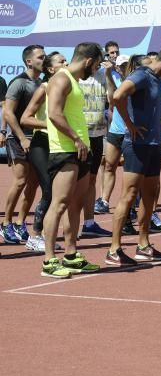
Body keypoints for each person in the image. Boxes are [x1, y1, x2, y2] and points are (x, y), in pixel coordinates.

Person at [106, 46, 161, 266]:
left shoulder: (157, 79)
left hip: (153, 145)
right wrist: (129, 124)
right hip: (137, 145)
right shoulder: (141, 74)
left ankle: (143, 245)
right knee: (129, 194)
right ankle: (114, 249)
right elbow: (117, 95)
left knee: (150, 196)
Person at [40, 42, 104, 278]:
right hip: (65, 150)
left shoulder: (74, 81)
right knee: (59, 203)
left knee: (75, 205)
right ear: (88, 61)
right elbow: (54, 114)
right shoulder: (61, 78)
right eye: (96, 65)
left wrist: (82, 144)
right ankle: (48, 260)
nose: (96, 70)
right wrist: (76, 139)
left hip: (80, 150)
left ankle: (71, 255)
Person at [19, 52, 68, 252]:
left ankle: (48, 233)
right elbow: (25, 119)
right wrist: (50, 123)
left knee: (60, 192)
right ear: (50, 69)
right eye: (61, 61)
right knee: (48, 188)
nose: (66, 63)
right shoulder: (45, 88)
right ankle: (35, 235)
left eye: (66, 60)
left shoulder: (70, 87)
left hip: (61, 143)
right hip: (41, 142)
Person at [1, 44, 45, 245]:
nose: (43, 60)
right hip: (18, 138)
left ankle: (20, 222)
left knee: (34, 182)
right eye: (40, 57)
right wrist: (21, 137)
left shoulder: (42, 83)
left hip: (36, 137)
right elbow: (8, 113)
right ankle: (6, 223)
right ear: (29, 61)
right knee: (20, 180)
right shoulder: (18, 83)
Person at [98, 53, 143, 236]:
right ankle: (104, 200)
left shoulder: (137, 82)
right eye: (121, 66)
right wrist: (108, 75)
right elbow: (112, 99)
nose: (124, 68)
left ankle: (129, 213)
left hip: (131, 132)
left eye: (126, 65)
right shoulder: (116, 80)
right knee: (109, 165)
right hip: (116, 132)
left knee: (131, 175)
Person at [77, 51, 114, 238]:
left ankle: (89, 223)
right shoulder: (75, 77)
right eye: (98, 60)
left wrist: (108, 75)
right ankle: (67, 225)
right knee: (73, 182)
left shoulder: (102, 75)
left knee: (91, 180)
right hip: (79, 136)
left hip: (98, 135)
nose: (100, 64)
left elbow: (113, 98)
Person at [94, 41, 122, 214]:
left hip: (119, 124)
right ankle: (103, 198)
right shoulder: (101, 73)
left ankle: (132, 202)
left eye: (116, 52)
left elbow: (115, 98)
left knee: (119, 164)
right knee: (104, 163)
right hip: (104, 124)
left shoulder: (121, 73)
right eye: (111, 53)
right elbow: (105, 98)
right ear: (106, 55)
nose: (114, 55)